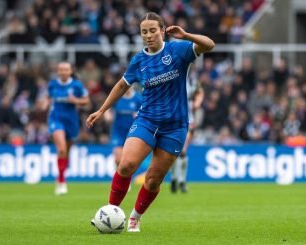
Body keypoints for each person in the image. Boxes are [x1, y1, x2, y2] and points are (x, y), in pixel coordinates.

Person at [87, 12, 215, 232]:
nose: (148, 35)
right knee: (126, 165)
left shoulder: (178, 50)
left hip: (175, 126)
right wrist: (101, 110)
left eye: (152, 30)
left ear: (162, 30)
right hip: (146, 120)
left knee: (154, 179)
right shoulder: (138, 61)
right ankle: (110, 212)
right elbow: (121, 86)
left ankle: (135, 217)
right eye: (144, 32)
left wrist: (186, 35)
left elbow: (209, 45)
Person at [46, 62, 89, 195]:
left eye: (66, 69)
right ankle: (61, 181)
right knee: (62, 149)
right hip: (56, 119)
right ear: (58, 71)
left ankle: (61, 172)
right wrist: (44, 103)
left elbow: (86, 101)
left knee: (67, 152)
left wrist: (76, 101)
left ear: (70, 71)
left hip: (71, 121)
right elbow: (48, 98)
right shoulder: (52, 84)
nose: (63, 72)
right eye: (61, 69)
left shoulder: (76, 85)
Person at [170, 76, 204, 193]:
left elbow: (200, 91)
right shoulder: (173, 78)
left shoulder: (192, 80)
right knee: (174, 153)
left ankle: (182, 181)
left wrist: (197, 103)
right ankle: (174, 178)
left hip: (189, 120)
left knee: (183, 151)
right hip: (173, 120)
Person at [110, 87, 142, 168]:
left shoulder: (138, 98)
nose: (127, 87)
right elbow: (109, 109)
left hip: (132, 132)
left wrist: (138, 115)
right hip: (118, 132)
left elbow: (146, 112)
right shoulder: (117, 97)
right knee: (118, 158)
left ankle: (123, 177)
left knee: (129, 160)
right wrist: (108, 116)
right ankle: (117, 176)